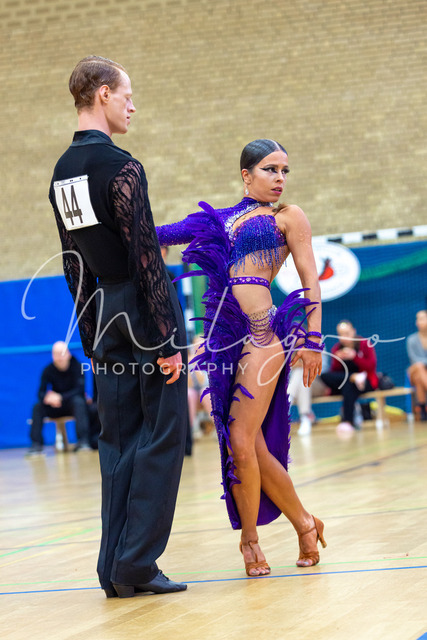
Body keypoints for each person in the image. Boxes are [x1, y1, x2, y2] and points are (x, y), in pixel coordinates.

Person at [48, 56, 188, 598]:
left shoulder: (62, 172)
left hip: (103, 311)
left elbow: (72, 263)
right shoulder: (122, 167)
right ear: (103, 94)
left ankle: (114, 566)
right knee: (163, 435)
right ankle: (137, 563)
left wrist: (90, 335)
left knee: (118, 439)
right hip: (144, 310)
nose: (132, 106)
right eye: (127, 95)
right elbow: (145, 255)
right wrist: (168, 339)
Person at [157, 138, 326, 576]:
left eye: (284, 171)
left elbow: (309, 278)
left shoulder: (288, 216)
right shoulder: (218, 219)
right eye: (271, 169)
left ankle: (250, 540)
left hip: (263, 336)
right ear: (246, 175)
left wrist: (313, 338)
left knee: (241, 438)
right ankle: (304, 523)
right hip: (223, 340)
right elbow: (160, 234)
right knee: (244, 445)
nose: (280, 178)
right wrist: (114, 224)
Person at [27, 341, 91, 455]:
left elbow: (80, 391)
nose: (59, 357)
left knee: (79, 402)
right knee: (37, 407)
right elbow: (40, 393)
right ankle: (36, 444)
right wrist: (48, 398)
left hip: (71, 404)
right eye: (56, 354)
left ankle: (83, 441)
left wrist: (60, 397)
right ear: (52, 356)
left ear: (68, 354)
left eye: (62, 353)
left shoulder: (78, 367)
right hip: (55, 405)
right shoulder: (48, 370)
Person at [321, 320, 378, 432]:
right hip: (346, 382)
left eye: (347, 333)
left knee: (349, 385)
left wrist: (354, 357)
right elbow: (335, 373)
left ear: (353, 331)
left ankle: (348, 421)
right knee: (325, 376)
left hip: (365, 382)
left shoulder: (365, 344)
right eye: (341, 334)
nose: (344, 337)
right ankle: (354, 377)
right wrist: (338, 360)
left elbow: (371, 366)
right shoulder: (336, 348)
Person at [406, 309, 427, 421]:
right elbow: (414, 359)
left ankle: (422, 410)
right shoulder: (411, 339)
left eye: (422, 318)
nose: (419, 321)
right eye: (417, 319)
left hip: (422, 374)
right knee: (419, 367)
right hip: (414, 369)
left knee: (420, 378)